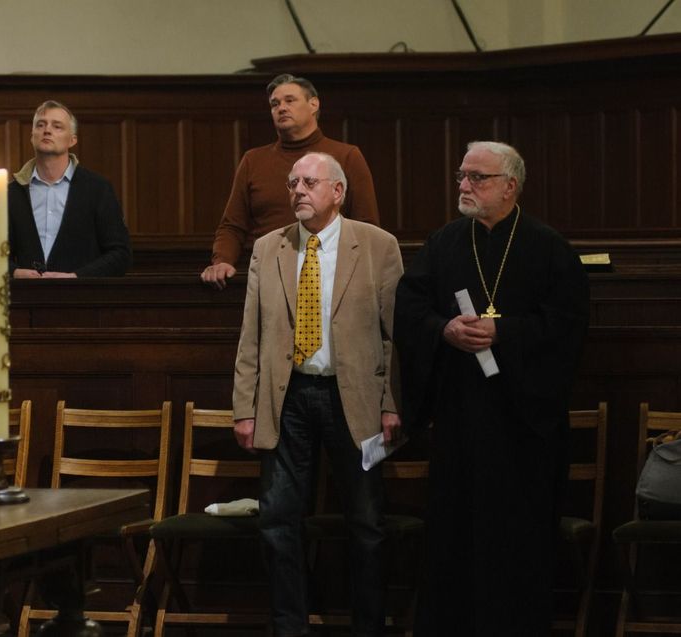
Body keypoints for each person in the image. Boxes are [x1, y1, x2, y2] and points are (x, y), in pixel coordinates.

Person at [394, 141, 590, 636]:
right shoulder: (443, 243)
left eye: (476, 178)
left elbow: (567, 326)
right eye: (461, 175)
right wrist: (445, 330)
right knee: (454, 537)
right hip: (459, 416)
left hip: (524, 424)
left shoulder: (549, 249)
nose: (463, 186)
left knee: (516, 541)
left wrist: (504, 333)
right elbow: (409, 308)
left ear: (510, 186)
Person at [233, 152, 402, 637]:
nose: (297, 192)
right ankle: (290, 628)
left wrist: (392, 402)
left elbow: (397, 337)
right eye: (292, 184)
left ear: (337, 191)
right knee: (277, 522)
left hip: (356, 400)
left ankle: (368, 628)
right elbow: (251, 336)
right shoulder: (269, 248)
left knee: (367, 526)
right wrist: (244, 408)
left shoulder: (376, 246)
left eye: (309, 183)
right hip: (286, 400)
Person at [202, 73, 381, 289]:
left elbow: (366, 226)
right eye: (274, 104)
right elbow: (233, 226)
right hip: (269, 276)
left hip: (331, 277)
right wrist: (222, 261)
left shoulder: (346, 156)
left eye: (290, 100)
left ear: (313, 104)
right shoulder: (254, 160)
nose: (281, 108)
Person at [8, 100, 131, 278]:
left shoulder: (97, 189)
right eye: (40, 125)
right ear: (32, 135)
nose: (47, 130)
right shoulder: (12, 193)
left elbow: (121, 255)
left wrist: (76, 277)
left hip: (81, 299)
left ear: (72, 140)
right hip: (27, 299)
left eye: (57, 126)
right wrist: (15, 272)